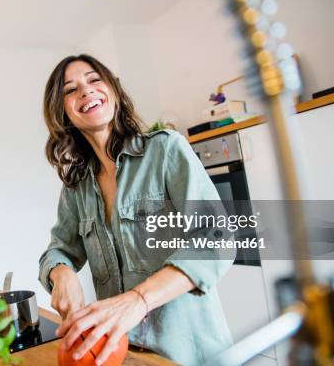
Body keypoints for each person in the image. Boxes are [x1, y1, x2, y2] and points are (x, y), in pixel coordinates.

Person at [38, 54, 234, 365]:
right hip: (122, 354)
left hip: (190, 355)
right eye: (70, 90)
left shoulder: (165, 149)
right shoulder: (77, 187)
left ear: (112, 90)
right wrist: (61, 273)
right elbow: (58, 249)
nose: (85, 91)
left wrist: (139, 300)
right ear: (63, 113)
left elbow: (217, 240)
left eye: (93, 80)